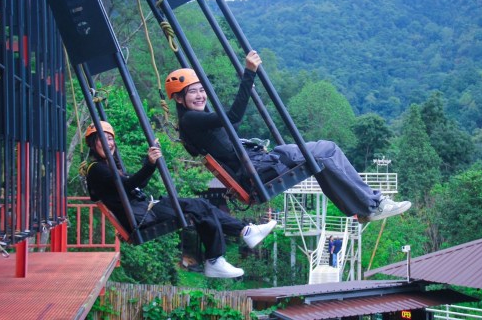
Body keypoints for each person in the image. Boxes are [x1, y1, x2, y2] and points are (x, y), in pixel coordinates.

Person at [165, 51, 411, 223]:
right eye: (192, 93)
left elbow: (225, 122)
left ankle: (363, 208)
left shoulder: (193, 121)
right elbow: (233, 117)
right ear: (178, 99)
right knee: (327, 150)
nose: (200, 96)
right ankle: (372, 205)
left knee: (322, 159)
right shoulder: (191, 120)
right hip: (258, 169)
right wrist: (248, 74)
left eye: (201, 90)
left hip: (256, 165)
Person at [83, 121, 277, 279]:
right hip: (142, 216)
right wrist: (149, 163)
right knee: (200, 207)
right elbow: (128, 185)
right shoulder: (97, 169)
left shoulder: (108, 167)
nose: (108, 143)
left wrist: (148, 166)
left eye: (110, 139)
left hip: (145, 210)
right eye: (102, 139)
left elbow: (134, 184)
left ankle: (240, 235)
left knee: (202, 207)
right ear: (93, 143)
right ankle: (221, 253)